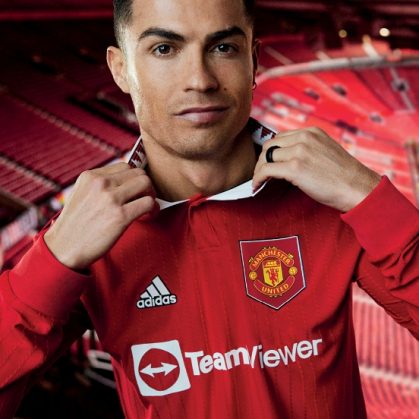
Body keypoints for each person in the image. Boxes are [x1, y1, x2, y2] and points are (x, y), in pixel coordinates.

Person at [0, 0, 418, 417]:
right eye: (165, 49)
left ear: (253, 61)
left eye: (223, 48)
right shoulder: (88, 233)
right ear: (121, 69)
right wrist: (52, 262)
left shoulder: (325, 196)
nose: (199, 80)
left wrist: (370, 197)